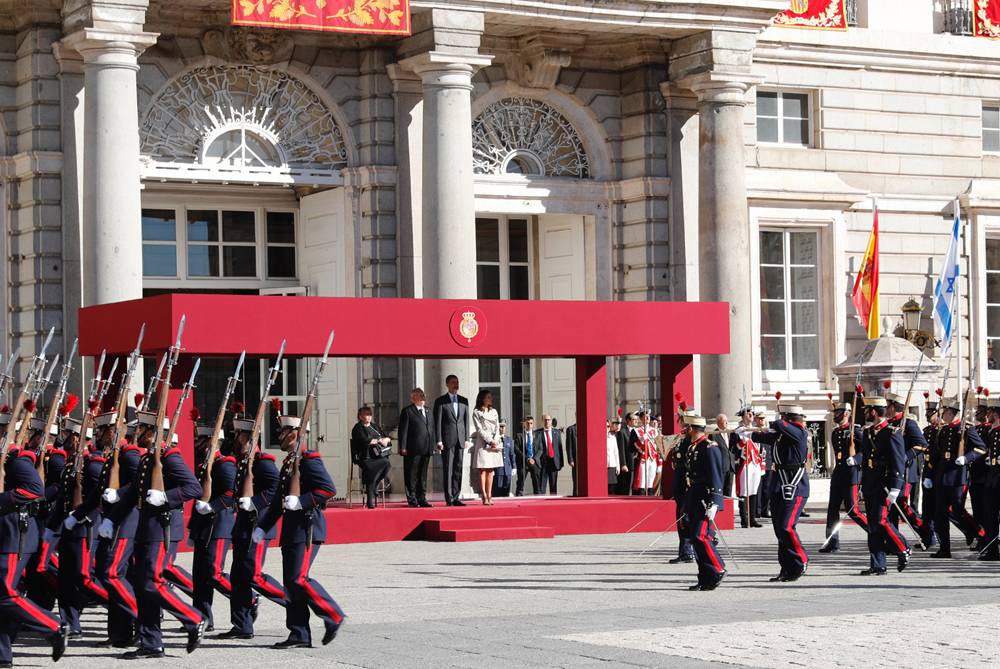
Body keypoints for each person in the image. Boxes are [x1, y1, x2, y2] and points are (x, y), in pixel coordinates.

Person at [100, 411, 205, 658]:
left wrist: (166, 498)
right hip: (146, 529)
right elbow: (131, 494)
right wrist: (110, 519)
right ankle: (151, 642)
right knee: (141, 586)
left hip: (162, 529)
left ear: (150, 433)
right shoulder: (148, 460)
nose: (134, 434)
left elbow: (194, 487)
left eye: (139, 430)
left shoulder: (170, 457)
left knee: (151, 583)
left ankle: (193, 618)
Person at [255, 411, 343, 648]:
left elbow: (328, 489)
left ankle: (333, 614)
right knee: (291, 584)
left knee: (299, 579)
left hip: (307, 527)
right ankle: (298, 634)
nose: (279, 436)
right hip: (292, 530)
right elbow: (276, 503)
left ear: (294, 435)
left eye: (283, 433)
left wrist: (302, 501)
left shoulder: (309, 460)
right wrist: (263, 527)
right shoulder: (289, 463)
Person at [0, 408, 68, 667]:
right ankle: (3, 656)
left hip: (13, 536)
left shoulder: (17, 461)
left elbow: (34, 490)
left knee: (5, 594)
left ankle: (53, 626)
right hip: (6, 536)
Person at [218, 412, 283, 640]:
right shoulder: (243, 462)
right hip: (243, 526)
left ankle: (292, 601)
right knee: (238, 578)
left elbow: (276, 490)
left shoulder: (264, 463)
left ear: (245, 438)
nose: (234, 440)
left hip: (258, 525)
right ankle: (242, 625)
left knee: (253, 575)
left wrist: (254, 502)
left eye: (237, 435)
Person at [47, 415, 108, 638]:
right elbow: (64, 498)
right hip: (68, 529)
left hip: (85, 530)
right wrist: (52, 527)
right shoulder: (72, 462)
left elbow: (101, 498)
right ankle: (70, 623)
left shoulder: (93, 465)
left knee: (84, 578)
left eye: (65, 435)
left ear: (74, 438)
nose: (61, 438)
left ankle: (123, 607)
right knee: (65, 580)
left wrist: (84, 516)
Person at [923, 396, 987, 558]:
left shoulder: (966, 428)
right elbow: (935, 454)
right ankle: (945, 549)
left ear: (950, 412)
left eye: (943, 412)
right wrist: (929, 475)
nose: (941, 415)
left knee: (958, 511)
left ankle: (981, 534)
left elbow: (981, 449)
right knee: (940, 514)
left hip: (958, 475)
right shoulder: (943, 430)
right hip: (941, 475)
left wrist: (966, 458)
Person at [189, 420, 237, 632]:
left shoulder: (226, 464)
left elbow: (229, 494)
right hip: (203, 527)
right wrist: (193, 527)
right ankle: (201, 618)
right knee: (199, 576)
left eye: (200, 440)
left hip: (218, 526)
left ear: (211, 442)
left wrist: (212, 507)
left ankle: (247, 598)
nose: (196, 443)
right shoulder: (203, 466)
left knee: (213, 572)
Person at [858, 397, 910, 576]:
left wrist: (896, 487)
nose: (864, 413)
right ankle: (878, 564)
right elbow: (866, 460)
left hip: (885, 483)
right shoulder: (868, 432)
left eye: (866, 410)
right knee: (872, 524)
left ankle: (902, 547)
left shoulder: (892, 432)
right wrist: (861, 483)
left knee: (880, 520)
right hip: (871, 483)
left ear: (873, 411)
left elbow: (898, 461)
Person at [758, 403, 810, 582]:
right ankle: (787, 568)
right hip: (779, 485)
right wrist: (745, 431)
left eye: (783, 417)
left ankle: (801, 559)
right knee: (779, 531)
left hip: (795, 486)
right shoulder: (783, 435)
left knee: (786, 527)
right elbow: (760, 437)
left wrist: (776, 422)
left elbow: (779, 425)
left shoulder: (799, 433)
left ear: (788, 419)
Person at [681, 415, 726, 591]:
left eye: (686, 427)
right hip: (693, 496)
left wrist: (715, 502)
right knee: (695, 537)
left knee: (701, 536)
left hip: (704, 499)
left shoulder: (709, 448)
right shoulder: (693, 446)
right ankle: (705, 577)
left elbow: (716, 476)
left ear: (691, 429)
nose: (684, 430)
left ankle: (717, 568)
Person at [884, 391, 932, 549]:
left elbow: (921, 444)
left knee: (902, 505)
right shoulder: (890, 424)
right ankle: (893, 541)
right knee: (891, 508)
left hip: (905, 471)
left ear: (892, 407)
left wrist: (904, 456)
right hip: (892, 471)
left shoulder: (908, 423)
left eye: (887, 406)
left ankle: (926, 532)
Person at [820, 402, 867, 553]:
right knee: (832, 509)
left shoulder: (855, 430)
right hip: (839, 473)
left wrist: (856, 459)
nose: (834, 415)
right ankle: (832, 541)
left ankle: (876, 533)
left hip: (851, 475)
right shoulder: (835, 432)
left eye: (837, 413)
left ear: (846, 414)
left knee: (853, 510)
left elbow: (868, 451)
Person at [434, 375, 470, 506]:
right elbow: (437, 422)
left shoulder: (464, 401)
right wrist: (439, 440)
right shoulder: (441, 401)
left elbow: (466, 421)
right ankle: (449, 497)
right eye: (453, 382)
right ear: (447, 384)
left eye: (457, 382)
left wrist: (466, 438)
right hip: (447, 439)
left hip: (460, 439)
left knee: (458, 468)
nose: (456, 384)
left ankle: (456, 496)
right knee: (448, 469)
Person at [397, 388, 435, 507]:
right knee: (411, 475)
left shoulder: (428, 411)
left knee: (422, 476)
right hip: (413, 448)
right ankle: (412, 499)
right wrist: (403, 447)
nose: (423, 397)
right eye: (420, 395)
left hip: (426, 448)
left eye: (423, 395)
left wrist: (432, 446)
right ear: (413, 397)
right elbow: (403, 431)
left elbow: (432, 429)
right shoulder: (408, 411)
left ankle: (422, 498)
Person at [350, 407, 391, 509]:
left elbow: (385, 436)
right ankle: (369, 500)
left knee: (387, 463)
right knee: (371, 469)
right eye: (367, 415)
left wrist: (386, 439)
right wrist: (379, 440)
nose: (369, 417)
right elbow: (364, 440)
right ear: (360, 416)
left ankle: (375, 486)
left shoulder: (374, 427)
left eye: (370, 415)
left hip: (376, 455)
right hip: (364, 457)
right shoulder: (357, 428)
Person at [669, 408, 695, 564]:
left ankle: (709, 537)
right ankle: (685, 551)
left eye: (680, 417)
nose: (678, 420)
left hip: (686, 485)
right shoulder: (681, 438)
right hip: (680, 485)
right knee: (683, 519)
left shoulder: (689, 440)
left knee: (686, 519)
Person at [732, 407, 764, 528]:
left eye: (752, 414)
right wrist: (742, 442)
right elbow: (733, 449)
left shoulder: (756, 430)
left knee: (753, 490)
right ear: (743, 417)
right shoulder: (738, 431)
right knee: (744, 491)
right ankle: (744, 519)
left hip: (755, 462)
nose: (751, 416)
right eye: (749, 414)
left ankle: (753, 518)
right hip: (745, 462)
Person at [471, 390, 502, 505]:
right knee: (483, 469)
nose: (491, 399)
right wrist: (490, 440)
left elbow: (497, 426)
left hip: (494, 443)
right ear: (483, 399)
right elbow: (479, 429)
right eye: (489, 397)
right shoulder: (477, 412)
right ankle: (483, 495)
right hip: (483, 443)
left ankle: (490, 495)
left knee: (491, 469)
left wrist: (496, 440)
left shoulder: (494, 411)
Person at [979, 396, 1000, 560]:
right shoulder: (993, 432)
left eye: (991, 411)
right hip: (993, 478)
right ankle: (992, 549)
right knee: (990, 515)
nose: (989, 414)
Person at [534, 414, 563, 494]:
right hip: (543, 462)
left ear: (551, 421)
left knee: (553, 486)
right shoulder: (537, 433)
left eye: (548, 420)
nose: (547, 421)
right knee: (542, 486)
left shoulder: (556, 432)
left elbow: (559, 448)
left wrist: (561, 463)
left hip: (554, 462)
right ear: (542, 421)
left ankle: (553, 503)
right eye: (545, 420)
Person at [633, 412, 661, 496]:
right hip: (643, 458)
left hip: (653, 458)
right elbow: (634, 446)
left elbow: (658, 447)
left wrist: (660, 462)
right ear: (641, 418)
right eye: (645, 416)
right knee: (641, 481)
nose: (648, 418)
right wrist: (642, 439)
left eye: (648, 416)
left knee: (651, 482)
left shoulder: (655, 431)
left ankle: (650, 498)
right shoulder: (637, 431)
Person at [513, 416, 539, 496]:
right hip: (523, 462)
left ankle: (538, 499)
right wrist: (527, 458)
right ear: (524, 424)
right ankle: (518, 497)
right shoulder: (519, 435)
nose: (529, 425)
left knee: (537, 483)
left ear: (533, 424)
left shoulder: (537, 435)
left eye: (531, 423)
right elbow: (517, 449)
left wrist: (534, 459)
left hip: (534, 462)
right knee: (520, 482)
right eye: (527, 423)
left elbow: (540, 448)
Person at [754, 410, 773, 519]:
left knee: (767, 487)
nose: (761, 420)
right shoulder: (754, 431)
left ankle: (766, 510)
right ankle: (758, 510)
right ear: (755, 420)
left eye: (763, 418)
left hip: (768, 463)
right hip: (758, 463)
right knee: (758, 487)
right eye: (759, 419)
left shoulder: (768, 431)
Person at [712, 414, 735, 498]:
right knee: (720, 489)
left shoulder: (730, 433)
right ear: (718, 423)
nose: (727, 423)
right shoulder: (713, 434)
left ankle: (728, 505)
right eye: (724, 421)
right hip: (721, 466)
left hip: (730, 466)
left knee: (729, 488)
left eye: (727, 421)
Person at [493, 420, 515, 498]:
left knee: (506, 490)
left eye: (503, 427)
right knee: (497, 490)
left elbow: (511, 454)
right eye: (501, 427)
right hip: (498, 468)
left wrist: (514, 467)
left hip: (507, 468)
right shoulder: (494, 439)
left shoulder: (508, 439)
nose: (502, 429)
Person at [606, 420, 620, 495]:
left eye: (608, 426)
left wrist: (618, 466)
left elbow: (616, 453)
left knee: (610, 487)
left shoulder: (612, 438)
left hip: (611, 464)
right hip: (603, 465)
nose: (606, 428)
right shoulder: (598, 438)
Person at [566, 423, 578, 496]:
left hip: (586, 459)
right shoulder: (571, 429)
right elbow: (569, 446)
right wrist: (570, 459)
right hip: (576, 458)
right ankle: (576, 494)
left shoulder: (588, 427)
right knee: (576, 479)